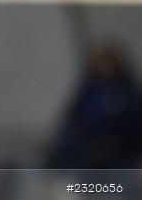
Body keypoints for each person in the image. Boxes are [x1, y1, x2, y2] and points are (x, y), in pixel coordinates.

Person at [46, 42, 142, 170]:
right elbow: (74, 113)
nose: (104, 68)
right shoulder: (90, 88)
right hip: (87, 141)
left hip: (116, 145)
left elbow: (131, 121)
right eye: (101, 63)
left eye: (108, 64)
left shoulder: (126, 90)